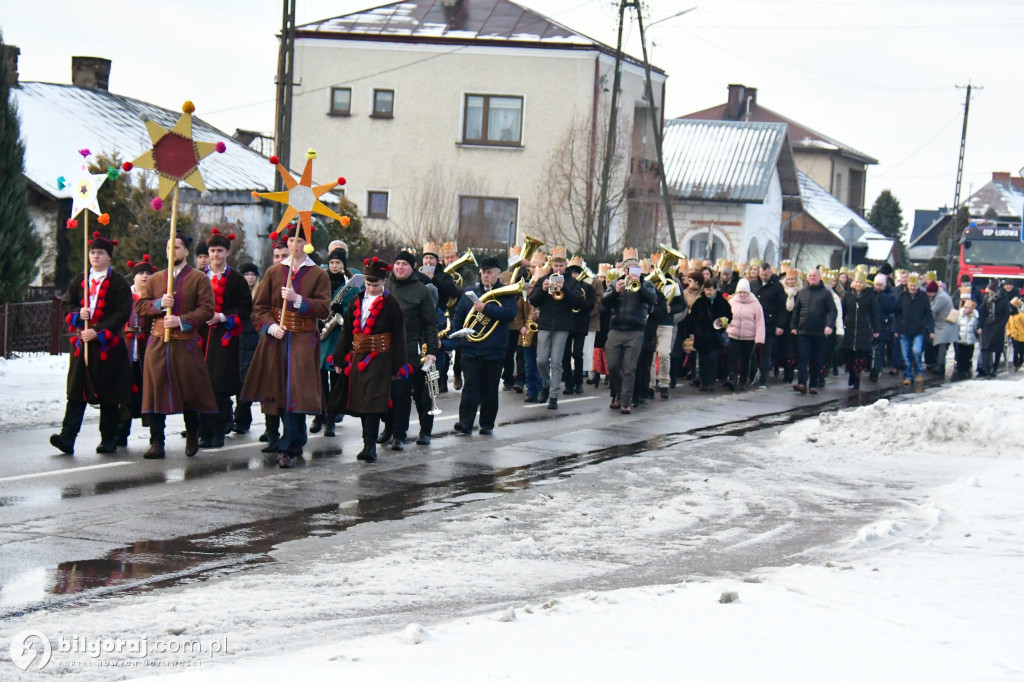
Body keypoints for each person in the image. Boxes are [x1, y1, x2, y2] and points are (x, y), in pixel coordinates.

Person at [241, 226, 331, 468]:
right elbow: (259, 308)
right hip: (277, 338)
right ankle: (293, 438)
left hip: (302, 337)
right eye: (291, 240)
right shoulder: (273, 272)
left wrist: (297, 300)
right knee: (278, 390)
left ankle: (288, 447)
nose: (294, 245)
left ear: (306, 244)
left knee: (297, 391)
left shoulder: (317, 274)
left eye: (299, 240)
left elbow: (324, 308)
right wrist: (270, 327)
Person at [136, 233, 220, 459]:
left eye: (177, 247)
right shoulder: (155, 279)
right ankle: (157, 442)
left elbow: (207, 309)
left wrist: (182, 320)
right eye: (168, 247)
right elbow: (140, 307)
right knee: (155, 390)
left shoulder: (199, 279)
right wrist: (158, 304)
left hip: (185, 344)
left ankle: (193, 433)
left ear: (185, 251)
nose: (172, 251)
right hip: (157, 343)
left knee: (189, 391)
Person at [50, 233, 133, 455]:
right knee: (77, 391)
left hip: (107, 346)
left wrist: (97, 331)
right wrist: (79, 314)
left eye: (100, 253)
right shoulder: (80, 280)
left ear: (109, 257)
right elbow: (66, 304)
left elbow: (122, 312)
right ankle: (67, 437)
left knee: (108, 393)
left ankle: (108, 438)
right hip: (82, 345)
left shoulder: (119, 283)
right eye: (93, 252)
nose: (95, 256)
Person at [328, 257, 409, 462]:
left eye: (376, 284)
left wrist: (398, 366)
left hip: (381, 358)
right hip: (358, 357)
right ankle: (369, 439)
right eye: (368, 284)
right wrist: (339, 358)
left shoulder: (392, 305)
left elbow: (399, 336)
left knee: (373, 401)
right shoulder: (357, 300)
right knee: (362, 401)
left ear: (384, 282)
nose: (371, 288)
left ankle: (370, 445)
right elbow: (347, 332)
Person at [450, 256, 519, 435]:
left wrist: (485, 309)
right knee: (470, 386)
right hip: (470, 348)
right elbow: (459, 316)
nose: (485, 276)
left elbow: (509, 314)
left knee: (490, 388)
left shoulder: (506, 293)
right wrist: (455, 333)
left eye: (489, 273)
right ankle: (465, 423)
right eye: (483, 272)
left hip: (493, 349)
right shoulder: (470, 292)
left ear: (497, 274)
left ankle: (486, 424)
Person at [380, 250, 439, 450]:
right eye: (397, 263)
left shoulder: (421, 290)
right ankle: (388, 429)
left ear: (412, 267)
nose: (400, 267)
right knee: (386, 393)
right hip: (385, 348)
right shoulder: (385, 286)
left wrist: (432, 350)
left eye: (404, 263)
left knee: (408, 394)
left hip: (411, 349)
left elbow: (430, 323)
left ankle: (402, 434)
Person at [198, 229, 252, 448]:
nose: (215, 255)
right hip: (201, 336)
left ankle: (218, 431)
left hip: (225, 339)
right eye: (212, 250)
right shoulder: (199, 277)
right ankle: (203, 431)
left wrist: (222, 316)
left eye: (220, 250)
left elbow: (245, 308)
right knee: (201, 386)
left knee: (219, 386)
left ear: (227, 253)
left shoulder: (237, 280)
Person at [528, 247, 584, 410]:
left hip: (562, 326)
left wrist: (564, 287)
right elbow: (533, 301)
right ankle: (546, 384)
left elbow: (577, 302)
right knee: (541, 360)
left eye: (561, 266)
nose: (558, 269)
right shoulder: (544, 278)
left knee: (557, 362)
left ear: (565, 265)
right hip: (545, 324)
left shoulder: (573, 282)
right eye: (555, 265)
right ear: (551, 264)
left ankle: (553, 396)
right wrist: (543, 290)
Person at [603, 254, 658, 412]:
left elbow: (653, 300)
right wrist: (615, 291)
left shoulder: (646, 284)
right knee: (612, 366)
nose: (630, 272)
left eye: (634, 269)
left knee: (629, 368)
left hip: (635, 331)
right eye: (628, 269)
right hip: (616, 329)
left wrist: (639, 286)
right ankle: (620, 393)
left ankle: (625, 402)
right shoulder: (616, 283)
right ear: (624, 270)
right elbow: (605, 303)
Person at [313, 247, 357, 438]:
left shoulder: (350, 284)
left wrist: (343, 310)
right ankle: (319, 415)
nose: (334, 265)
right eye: (332, 262)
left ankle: (331, 418)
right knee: (320, 380)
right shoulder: (321, 281)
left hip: (338, 337)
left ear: (343, 265)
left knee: (337, 381)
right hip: (321, 336)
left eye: (338, 263)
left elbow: (356, 307)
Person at [116, 254, 157, 447]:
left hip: (147, 349)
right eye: (140, 273)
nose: (144, 277)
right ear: (133, 276)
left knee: (149, 391)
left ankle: (155, 436)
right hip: (125, 348)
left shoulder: (154, 298)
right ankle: (120, 433)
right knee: (123, 392)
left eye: (148, 273)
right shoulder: (125, 297)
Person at [789, 268, 837, 395]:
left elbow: (833, 310)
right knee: (802, 357)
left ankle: (813, 385)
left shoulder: (826, 293)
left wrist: (829, 325)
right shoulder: (802, 293)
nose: (812, 278)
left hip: (819, 332)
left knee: (816, 359)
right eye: (810, 276)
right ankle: (802, 383)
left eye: (814, 276)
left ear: (819, 278)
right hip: (803, 331)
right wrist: (793, 326)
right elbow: (796, 311)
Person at [683, 275, 732, 392]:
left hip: (715, 336)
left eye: (710, 289)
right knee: (702, 360)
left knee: (712, 360)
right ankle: (704, 382)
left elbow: (729, 317)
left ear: (715, 289)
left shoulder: (722, 302)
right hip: (702, 336)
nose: (708, 292)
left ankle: (710, 382)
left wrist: (722, 322)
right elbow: (692, 318)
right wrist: (690, 332)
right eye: (706, 289)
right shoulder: (699, 302)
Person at [233, 261, 261, 434]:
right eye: (246, 275)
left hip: (254, 341)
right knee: (237, 382)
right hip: (238, 339)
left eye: (252, 275)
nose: (250, 278)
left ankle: (242, 418)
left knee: (248, 383)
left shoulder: (259, 293)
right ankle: (238, 418)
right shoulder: (239, 294)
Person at [724, 277, 765, 391]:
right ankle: (732, 378)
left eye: (744, 292)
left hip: (749, 337)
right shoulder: (732, 302)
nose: (742, 295)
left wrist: (759, 339)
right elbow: (725, 317)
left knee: (745, 360)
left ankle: (743, 380)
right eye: (740, 292)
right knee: (732, 358)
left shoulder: (755, 304)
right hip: (733, 335)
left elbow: (760, 322)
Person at [562, 257, 595, 396]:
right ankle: (569, 384)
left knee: (577, 354)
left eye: (577, 271)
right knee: (565, 355)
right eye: (572, 271)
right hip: (567, 322)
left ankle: (579, 382)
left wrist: (579, 300)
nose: (575, 274)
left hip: (581, 323)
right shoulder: (566, 286)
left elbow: (590, 305)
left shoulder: (587, 288)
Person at [840, 271, 879, 390]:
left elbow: (874, 313)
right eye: (856, 282)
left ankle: (857, 378)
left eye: (861, 282)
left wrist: (875, 328)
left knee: (860, 357)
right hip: (850, 329)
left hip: (863, 330)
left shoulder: (869, 295)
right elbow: (843, 311)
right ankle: (852, 374)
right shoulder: (848, 295)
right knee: (850, 357)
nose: (858, 284)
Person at [896, 273, 934, 386]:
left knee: (916, 351)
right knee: (906, 355)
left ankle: (918, 372)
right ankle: (908, 375)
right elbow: (897, 313)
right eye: (911, 285)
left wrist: (929, 328)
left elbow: (928, 313)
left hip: (918, 330)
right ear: (908, 285)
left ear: (918, 286)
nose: (912, 288)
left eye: (914, 286)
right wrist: (898, 326)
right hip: (904, 330)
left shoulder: (923, 297)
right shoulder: (903, 297)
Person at [752, 262, 786, 387]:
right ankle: (753, 375)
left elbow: (782, 307)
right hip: (754, 322)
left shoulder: (777, 287)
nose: (763, 277)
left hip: (769, 323)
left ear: (771, 273)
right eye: (762, 274)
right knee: (754, 351)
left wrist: (780, 325)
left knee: (766, 351)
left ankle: (764, 379)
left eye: (766, 275)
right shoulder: (754, 284)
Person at [977, 278, 1012, 378]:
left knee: (997, 348)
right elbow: (983, 312)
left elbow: (1006, 314)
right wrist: (980, 325)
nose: (990, 293)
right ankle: (986, 368)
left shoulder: (1003, 300)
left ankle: (994, 368)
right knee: (986, 347)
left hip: (998, 326)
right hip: (987, 325)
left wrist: (1001, 325)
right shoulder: (986, 298)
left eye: (991, 291)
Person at [869, 274, 899, 382]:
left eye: (880, 285)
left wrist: (882, 297)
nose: (878, 287)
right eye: (876, 285)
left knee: (879, 350)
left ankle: (876, 370)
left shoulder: (889, 295)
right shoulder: (871, 294)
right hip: (871, 326)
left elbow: (891, 308)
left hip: (883, 326)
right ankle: (871, 368)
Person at [925, 279, 956, 377]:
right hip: (942, 324)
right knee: (938, 344)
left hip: (945, 325)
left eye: (929, 293)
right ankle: (937, 363)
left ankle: (941, 365)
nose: (928, 295)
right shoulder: (939, 295)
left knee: (942, 345)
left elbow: (932, 310)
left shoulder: (941, 298)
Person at [954, 300, 979, 379]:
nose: (965, 309)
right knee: (959, 356)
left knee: (968, 356)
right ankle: (959, 371)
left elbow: (976, 327)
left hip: (970, 340)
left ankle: (966, 371)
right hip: (960, 339)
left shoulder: (975, 316)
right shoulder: (959, 314)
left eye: (968, 308)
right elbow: (956, 325)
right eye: (965, 307)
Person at [1007, 295, 1024, 372]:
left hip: (1022, 336)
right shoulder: (1010, 317)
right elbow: (1008, 326)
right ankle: (1015, 364)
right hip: (1014, 336)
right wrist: (1009, 333)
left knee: (1021, 351)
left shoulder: (1021, 316)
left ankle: (1021, 361)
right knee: (1015, 350)